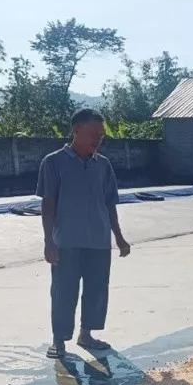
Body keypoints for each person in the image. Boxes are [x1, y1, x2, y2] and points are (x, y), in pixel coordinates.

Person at [37, 109, 131, 359]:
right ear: (76, 131)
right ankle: (59, 340)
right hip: (66, 242)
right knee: (63, 291)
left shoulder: (103, 165)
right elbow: (48, 205)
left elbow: (110, 203)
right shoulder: (54, 162)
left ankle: (86, 334)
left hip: (99, 241)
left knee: (97, 290)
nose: (98, 139)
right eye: (93, 134)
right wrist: (49, 241)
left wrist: (119, 238)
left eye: (101, 135)